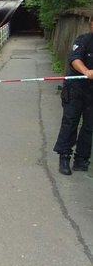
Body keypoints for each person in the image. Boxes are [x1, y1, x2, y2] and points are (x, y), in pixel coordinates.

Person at [53, 16, 93, 175]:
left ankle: (82, 159)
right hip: (76, 88)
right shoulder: (83, 40)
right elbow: (74, 59)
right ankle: (64, 156)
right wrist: (86, 72)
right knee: (70, 121)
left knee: (90, 126)